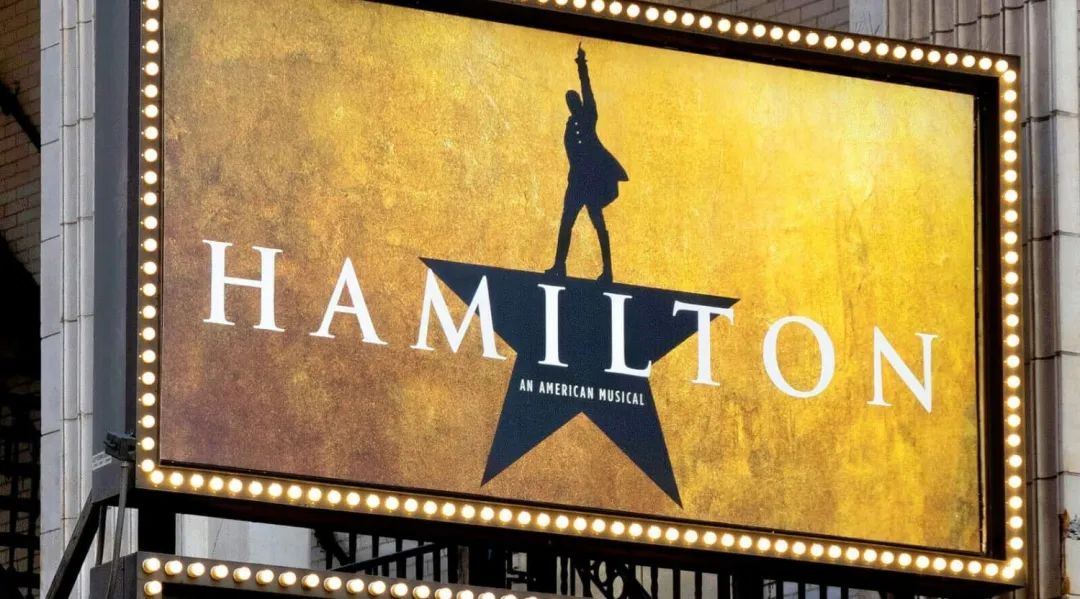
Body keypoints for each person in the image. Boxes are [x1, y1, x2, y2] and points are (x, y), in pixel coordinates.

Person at [546, 44, 628, 283]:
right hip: (576, 182)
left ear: (579, 101)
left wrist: (581, 65)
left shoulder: (589, 115)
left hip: (592, 182)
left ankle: (608, 271)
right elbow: (571, 153)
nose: (572, 103)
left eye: (574, 99)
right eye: (569, 101)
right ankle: (559, 265)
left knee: (599, 225)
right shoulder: (570, 126)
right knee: (566, 222)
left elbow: (586, 86)